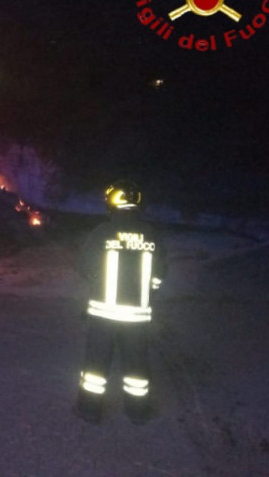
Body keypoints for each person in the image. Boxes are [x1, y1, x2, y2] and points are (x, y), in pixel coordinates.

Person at [74, 179, 167, 425]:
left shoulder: (102, 232)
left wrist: (96, 281)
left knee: (95, 366)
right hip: (137, 318)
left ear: (113, 201)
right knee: (137, 366)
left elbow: (84, 268)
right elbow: (160, 274)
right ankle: (138, 412)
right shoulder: (151, 234)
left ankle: (89, 410)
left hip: (103, 315)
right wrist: (146, 295)